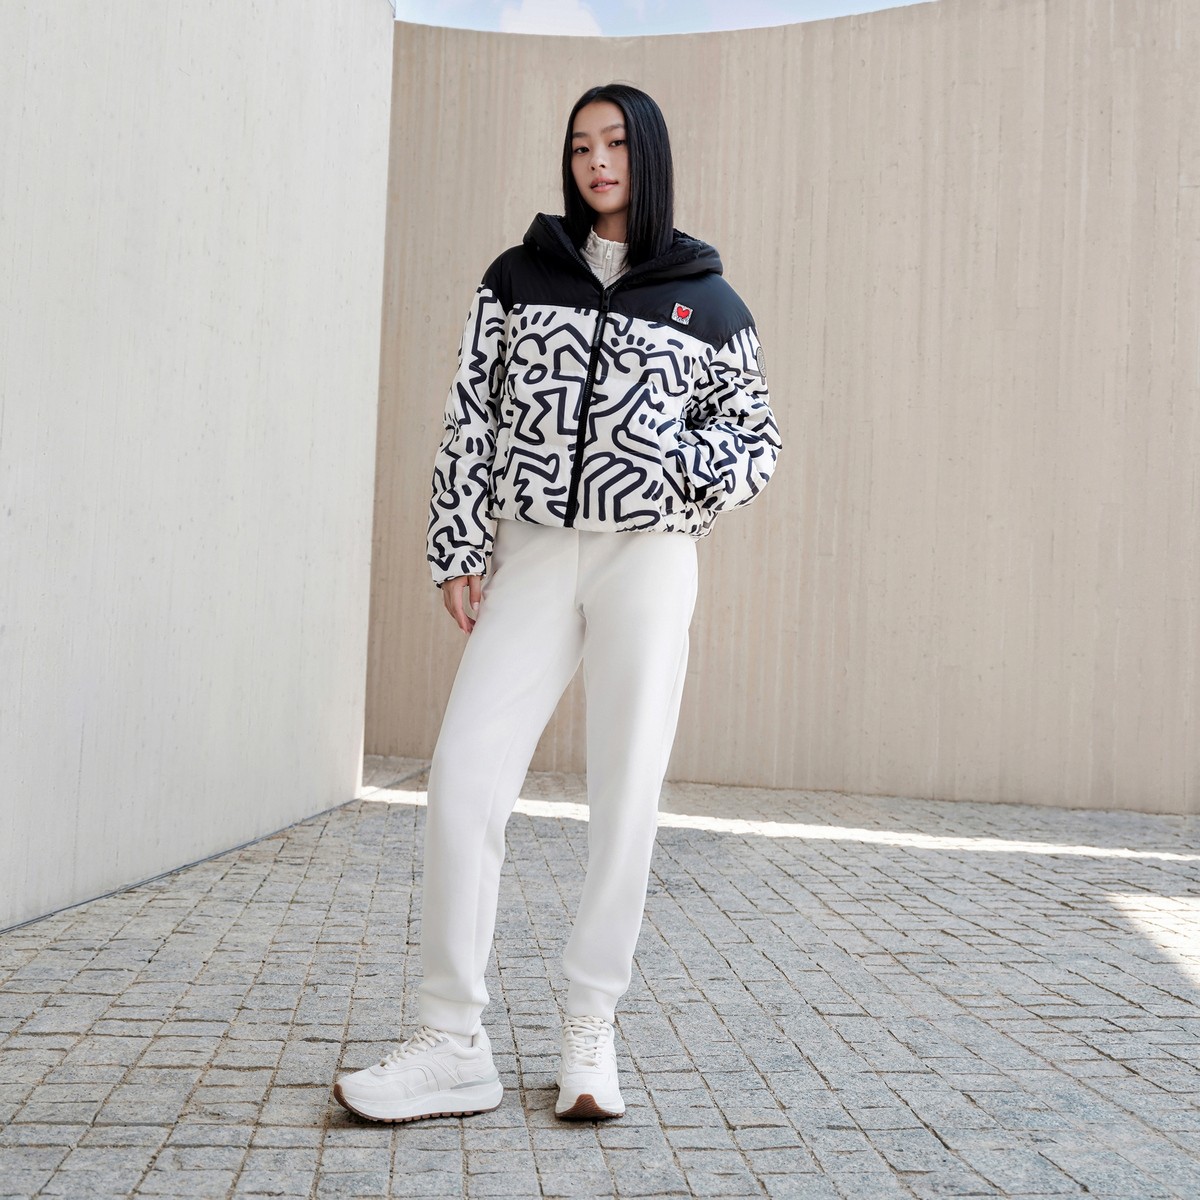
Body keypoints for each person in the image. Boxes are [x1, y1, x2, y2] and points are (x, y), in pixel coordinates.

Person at [333, 82, 781, 1125]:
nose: (597, 162)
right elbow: (470, 416)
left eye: (615, 143)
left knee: (626, 793)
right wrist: (458, 542)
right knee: (462, 778)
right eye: (581, 146)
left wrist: (666, 471)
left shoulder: (710, 299)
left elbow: (755, 441)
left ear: (648, 154)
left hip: (648, 556)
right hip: (533, 550)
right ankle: (452, 1041)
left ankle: (590, 1025)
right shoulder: (517, 277)